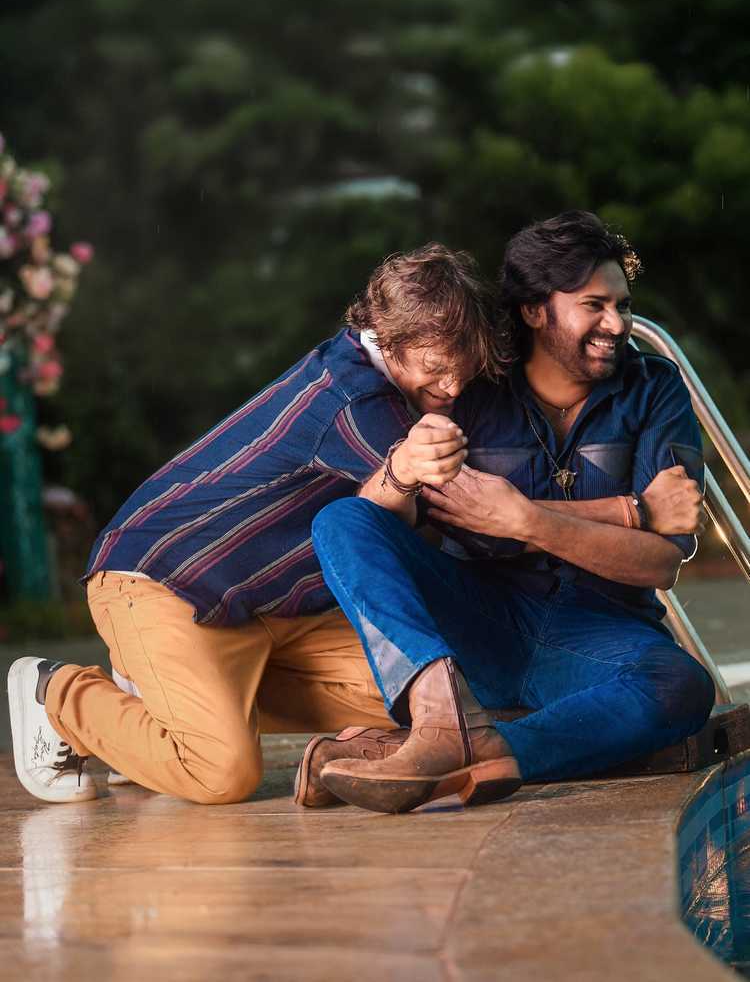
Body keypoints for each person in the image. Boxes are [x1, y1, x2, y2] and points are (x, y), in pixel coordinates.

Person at [7, 243, 503, 805]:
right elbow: (451, 507)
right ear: (389, 339)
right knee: (221, 773)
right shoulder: (357, 400)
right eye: (437, 369)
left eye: (464, 370)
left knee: (429, 691)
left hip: (268, 608)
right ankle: (56, 692)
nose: (453, 388)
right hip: (166, 581)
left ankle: (155, 704)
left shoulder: (374, 376)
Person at [310, 211, 713, 814]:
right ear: (534, 310)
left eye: (622, 306)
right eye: (594, 305)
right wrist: (632, 511)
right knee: (342, 520)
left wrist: (524, 519)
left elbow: (659, 564)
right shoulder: (471, 387)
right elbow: (423, 523)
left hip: (600, 633)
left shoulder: (656, 389)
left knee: (682, 686)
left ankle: (470, 750)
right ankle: (440, 717)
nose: (617, 324)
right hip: (481, 621)